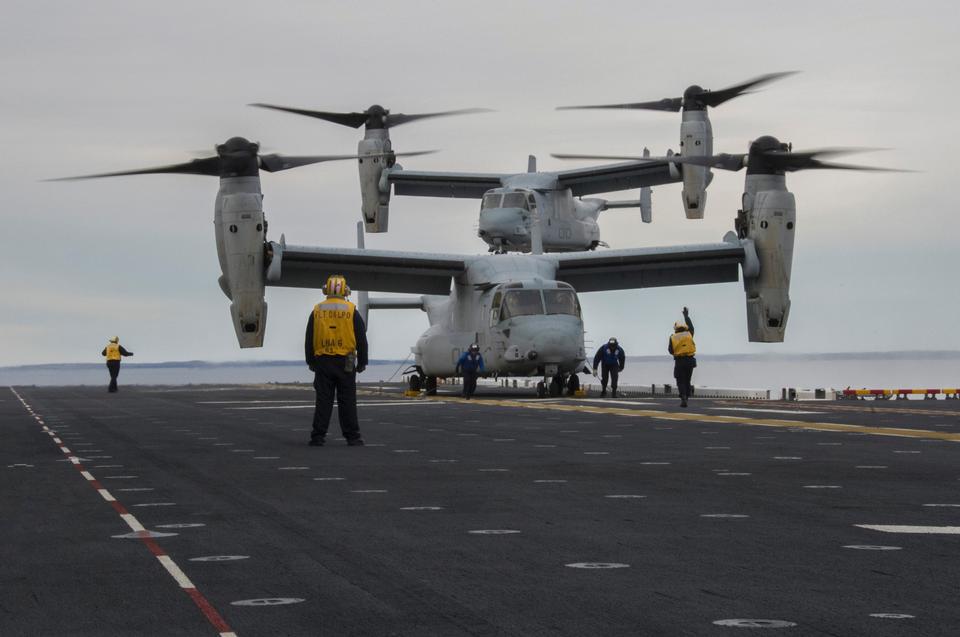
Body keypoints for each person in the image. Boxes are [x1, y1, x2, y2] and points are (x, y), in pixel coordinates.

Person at [305, 274, 368, 447]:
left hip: (323, 361)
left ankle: (318, 437)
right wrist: (362, 362)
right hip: (346, 361)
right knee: (347, 400)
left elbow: (309, 338)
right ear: (345, 290)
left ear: (326, 290)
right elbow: (361, 338)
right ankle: (352, 437)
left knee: (323, 400)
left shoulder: (317, 310)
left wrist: (310, 361)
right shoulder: (350, 310)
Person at [668, 307, 697, 408]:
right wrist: (686, 316)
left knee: (680, 380)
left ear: (675, 328)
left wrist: (678, 351)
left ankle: (683, 397)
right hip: (690, 361)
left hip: (680, 361)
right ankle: (687, 397)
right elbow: (692, 327)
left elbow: (670, 350)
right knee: (687, 380)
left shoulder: (673, 337)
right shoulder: (689, 334)